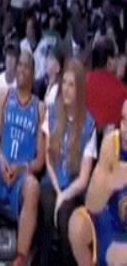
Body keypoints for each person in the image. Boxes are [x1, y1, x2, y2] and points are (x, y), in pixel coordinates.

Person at [0, 51, 45, 266]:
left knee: (33, 187)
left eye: (26, 66)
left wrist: (21, 168)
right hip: (1, 164)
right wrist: (2, 160)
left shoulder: (39, 109)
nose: (21, 69)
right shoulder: (4, 97)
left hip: (21, 173)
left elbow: (40, 161)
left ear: (33, 73)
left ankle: (20, 256)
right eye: (19, 65)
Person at [38, 58, 97, 265]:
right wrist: (57, 190)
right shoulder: (52, 112)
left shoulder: (89, 124)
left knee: (65, 215)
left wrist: (64, 195)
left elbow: (83, 179)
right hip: (52, 181)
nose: (66, 89)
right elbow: (48, 158)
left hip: (74, 187)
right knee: (46, 205)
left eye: (72, 85)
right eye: (64, 83)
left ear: (79, 89)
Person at [68, 100, 127, 266]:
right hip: (110, 216)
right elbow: (92, 203)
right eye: (123, 120)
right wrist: (109, 181)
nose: (124, 129)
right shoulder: (111, 143)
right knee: (77, 224)